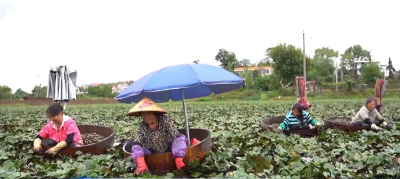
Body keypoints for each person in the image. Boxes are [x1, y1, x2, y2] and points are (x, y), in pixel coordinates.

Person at [129, 97, 197, 175]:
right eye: (142, 114)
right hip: (152, 151)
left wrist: (177, 154)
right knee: (136, 147)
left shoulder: (164, 120)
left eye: (148, 113)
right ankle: (141, 166)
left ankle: (179, 162)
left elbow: (176, 136)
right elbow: (137, 142)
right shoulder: (142, 126)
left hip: (170, 147)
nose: (145, 117)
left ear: (154, 113)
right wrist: (140, 163)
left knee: (180, 139)